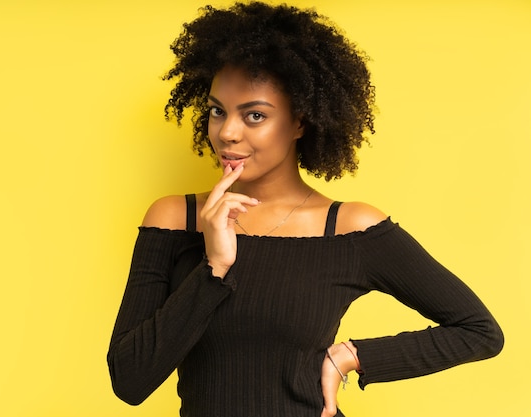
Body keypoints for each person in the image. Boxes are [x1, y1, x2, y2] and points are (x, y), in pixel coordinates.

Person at [107, 2, 504, 416]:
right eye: (217, 111)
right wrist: (214, 268)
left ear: (300, 122)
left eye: (254, 115)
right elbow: (129, 380)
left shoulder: (350, 228)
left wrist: (351, 356)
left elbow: (479, 331)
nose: (227, 132)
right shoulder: (174, 219)